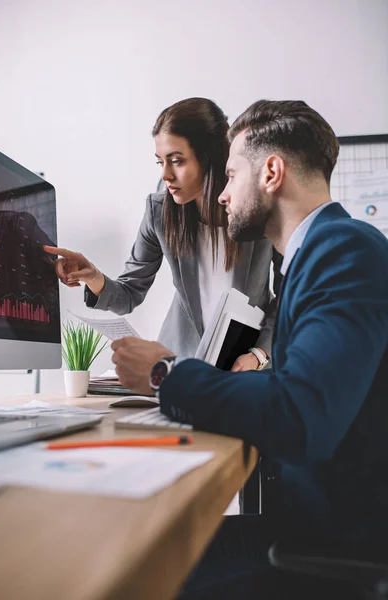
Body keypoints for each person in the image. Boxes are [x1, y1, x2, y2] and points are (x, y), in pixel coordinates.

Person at [110, 99, 388, 599]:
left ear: (272, 173)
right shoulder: (310, 258)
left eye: (233, 174)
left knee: (134, 574)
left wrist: (165, 373)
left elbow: (302, 416)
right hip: (307, 523)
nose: (222, 195)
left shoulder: (344, 252)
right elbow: (298, 385)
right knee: (139, 545)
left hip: (328, 547)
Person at [45, 97, 279, 369]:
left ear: (210, 158)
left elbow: (289, 297)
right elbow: (129, 293)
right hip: (181, 365)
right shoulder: (159, 213)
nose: (166, 175)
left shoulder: (260, 210)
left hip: (249, 366)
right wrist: (94, 277)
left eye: (177, 161)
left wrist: (259, 354)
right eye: (160, 162)